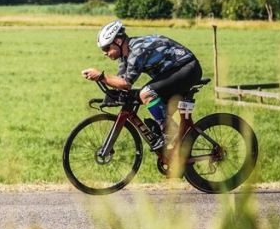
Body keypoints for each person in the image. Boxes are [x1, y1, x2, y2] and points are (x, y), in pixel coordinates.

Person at [81, 20, 202, 151]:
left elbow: (126, 84)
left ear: (119, 41)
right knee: (151, 102)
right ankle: (177, 144)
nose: (104, 53)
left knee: (146, 93)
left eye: (106, 48)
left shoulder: (138, 49)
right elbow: (121, 81)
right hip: (174, 71)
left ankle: (170, 135)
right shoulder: (125, 56)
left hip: (188, 68)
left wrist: (101, 76)